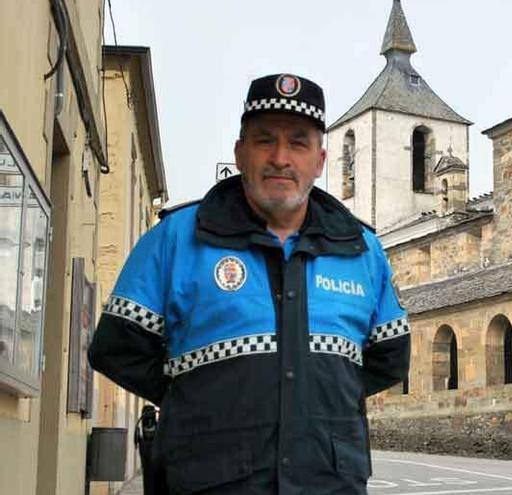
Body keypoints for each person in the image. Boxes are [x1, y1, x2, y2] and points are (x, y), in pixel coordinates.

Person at [88, 73, 411, 494]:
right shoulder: (176, 238)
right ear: (240, 153)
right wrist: (199, 402)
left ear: (320, 159)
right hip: (208, 481)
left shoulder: (362, 250)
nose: (281, 157)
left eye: (298, 142)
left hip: (329, 483)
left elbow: (389, 358)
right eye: (264, 140)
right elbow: (117, 348)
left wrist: (312, 400)